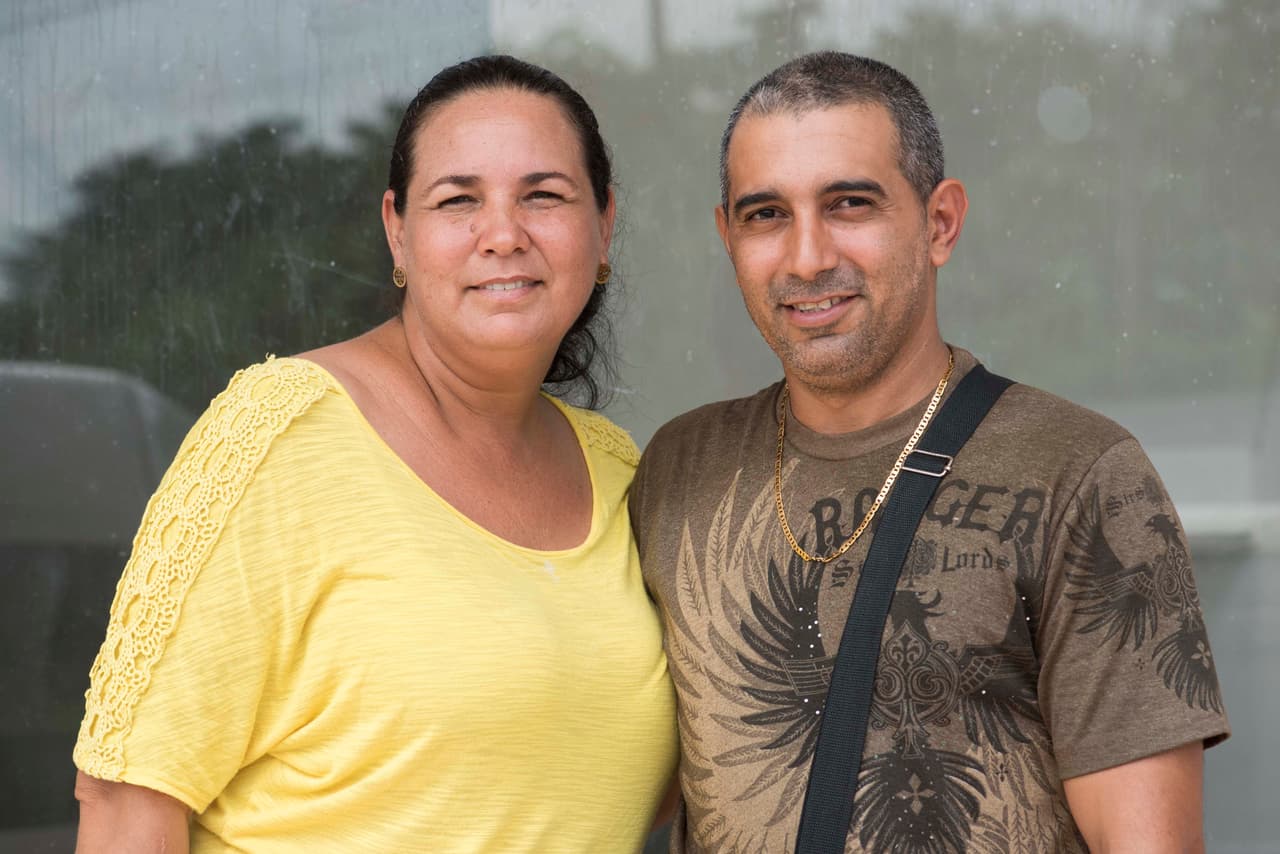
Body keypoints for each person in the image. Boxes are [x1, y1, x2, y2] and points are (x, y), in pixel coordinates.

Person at [72, 55, 676, 853]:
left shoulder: (621, 471)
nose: (503, 234)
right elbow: (126, 807)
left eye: (545, 195)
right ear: (398, 229)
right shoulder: (276, 437)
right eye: (458, 199)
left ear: (603, 225)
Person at [629, 51, 1229, 853]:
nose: (806, 257)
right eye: (765, 214)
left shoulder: (1080, 473)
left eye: (849, 203)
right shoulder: (679, 467)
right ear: (727, 235)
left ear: (939, 222)